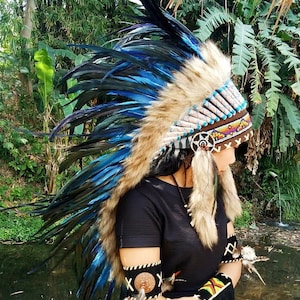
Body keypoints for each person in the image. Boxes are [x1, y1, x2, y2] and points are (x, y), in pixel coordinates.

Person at [37, 0, 253, 299]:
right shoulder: (141, 202)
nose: (231, 159)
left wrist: (203, 296)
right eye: (228, 147)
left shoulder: (211, 190)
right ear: (200, 146)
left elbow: (232, 261)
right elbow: (145, 293)